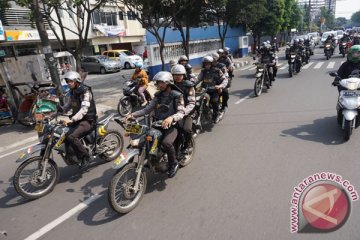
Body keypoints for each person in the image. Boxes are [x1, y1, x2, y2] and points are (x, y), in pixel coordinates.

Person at [126, 71, 185, 178]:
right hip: (157, 124)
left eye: (162, 82)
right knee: (146, 139)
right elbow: (147, 109)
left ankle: (174, 163)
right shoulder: (158, 96)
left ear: (169, 83)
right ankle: (152, 158)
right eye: (158, 83)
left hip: (172, 126)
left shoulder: (177, 96)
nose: (159, 85)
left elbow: (181, 112)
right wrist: (133, 115)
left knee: (166, 143)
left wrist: (171, 117)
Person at [60, 71, 97, 169]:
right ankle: (73, 157)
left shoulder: (85, 92)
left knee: (72, 136)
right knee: (64, 135)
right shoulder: (72, 92)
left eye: (70, 81)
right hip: (78, 120)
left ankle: (86, 157)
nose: (69, 83)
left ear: (77, 81)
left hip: (88, 120)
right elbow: (67, 106)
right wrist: (54, 114)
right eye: (67, 82)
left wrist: (72, 119)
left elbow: (84, 110)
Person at [195, 56, 228, 123]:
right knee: (197, 100)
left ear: (211, 64)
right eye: (205, 64)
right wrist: (192, 84)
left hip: (214, 90)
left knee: (214, 101)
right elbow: (198, 79)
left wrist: (220, 86)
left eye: (208, 63)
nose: (207, 65)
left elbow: (225, 79)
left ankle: (216, 115)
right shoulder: (203, 72)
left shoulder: (217, 71)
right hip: (204, 90)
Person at [171, 64, 196, 149]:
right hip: (172, 112)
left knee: (186, 130)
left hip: (186, 113)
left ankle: (188, 145)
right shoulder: (170, 85)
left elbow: (192, 103)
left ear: (184, 75)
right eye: (175, 75)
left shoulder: (188, 86)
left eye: (179, 75)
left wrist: (183, 112)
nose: (177, 77)